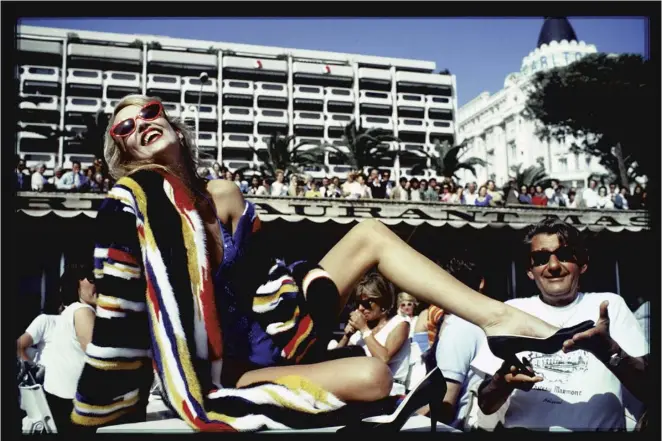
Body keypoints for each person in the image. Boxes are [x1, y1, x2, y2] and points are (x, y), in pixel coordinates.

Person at [72, 95, 573, 432]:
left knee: (370, 233)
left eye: (150, 111)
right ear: (123, 148)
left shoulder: (222, 194)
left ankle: (498, 319)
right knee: (376, 377)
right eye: (126, 128)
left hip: (278, 327)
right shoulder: (131, 205)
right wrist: (113, 397)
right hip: (225, 370)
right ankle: (270, 391)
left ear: (172, 123)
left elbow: (269, 270)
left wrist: (310, 279)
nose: (142, 125)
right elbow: (124, 306)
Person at [472, 218, 649, 431]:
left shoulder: (610, 306)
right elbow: (486, 405)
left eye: (564, 255)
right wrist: (503, 381)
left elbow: (648, 389)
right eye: (541, 258)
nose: (554, 266)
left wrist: (611, 352)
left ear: (582, 264)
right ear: (530, 270)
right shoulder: (512, 311)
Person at [40, 265, 96, 433]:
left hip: (58, 403)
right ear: (75, 284)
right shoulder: (83, 311)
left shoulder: (67, 313)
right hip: (77, 410)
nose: (100, 284)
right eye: (92, 279)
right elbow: (100, 359)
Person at [336, 273, 411, 395]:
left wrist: (364, 329)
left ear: (383, 302)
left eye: (366, 303)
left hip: (390, 391)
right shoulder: (361, 331)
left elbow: (383, 359)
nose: (360, 308)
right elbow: (334, 362)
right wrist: (346, 336)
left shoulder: (400, 324)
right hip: (360, 388)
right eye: (358, 303)